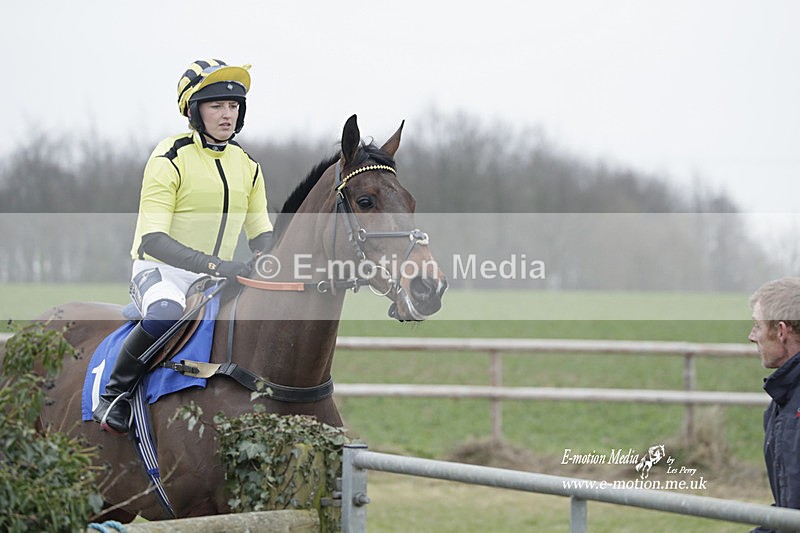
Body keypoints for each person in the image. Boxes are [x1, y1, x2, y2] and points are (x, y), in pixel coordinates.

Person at [92, 59, 273, 433]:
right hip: (162, 273)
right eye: (216, 106)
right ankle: (115, 393)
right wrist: (219, 266)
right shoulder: (169, 157)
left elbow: (261, 234)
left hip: (216, 280)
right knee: (165, 314)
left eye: (234, 106)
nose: (227, 115)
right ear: (194, 111)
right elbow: (153, 240)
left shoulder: (249, 165)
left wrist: (273, 260)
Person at [748, 277, 800, 532]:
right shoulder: (782, 404)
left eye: (758, 326)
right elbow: (788, 509)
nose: (751, 336)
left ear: (781, 331)